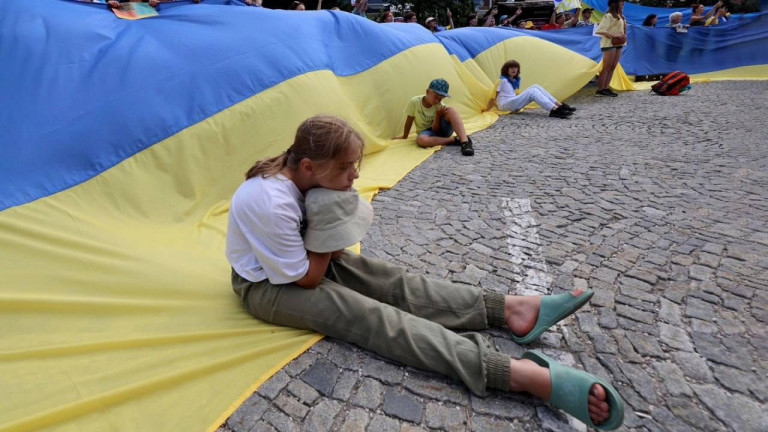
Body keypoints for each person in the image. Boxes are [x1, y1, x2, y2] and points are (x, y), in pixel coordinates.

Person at [226, 114, 624, 431]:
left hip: (296, 265)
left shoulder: (303, 175)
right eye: (348, 168)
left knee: (389, 280)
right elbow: (308, 278)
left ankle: (510, 310)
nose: (356, 176)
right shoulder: (271, 201)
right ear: (311, 166)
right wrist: (330, 218)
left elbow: (322, 254)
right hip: (264, 286)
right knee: (373, 317)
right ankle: (516, 374)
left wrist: (331, 213)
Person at [395, 78, 475, 156]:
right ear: (427, 92)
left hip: (441, 130)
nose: (437, 101)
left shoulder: (440, 106)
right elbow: (409, 120)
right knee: (421, 140)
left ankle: (465, 142)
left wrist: (438, 116)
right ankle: (455, 140)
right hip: (426, 133)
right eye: (436, 96)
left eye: (441, 98)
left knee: (451, 110)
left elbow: (436, 130)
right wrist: (404, 136)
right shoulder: (414, 102)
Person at [482, 60, 576, 119]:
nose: (514, 70)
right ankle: (554, 110)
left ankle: (560, 105)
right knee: (533, 92)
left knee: (535, 86)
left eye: (515, 68)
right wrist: (487, 109)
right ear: (506, 70)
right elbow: (494, 96)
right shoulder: (502, 80)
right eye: (511, 68)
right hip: (505, 104)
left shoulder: (515, 80)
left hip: (512, 101)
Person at [594, 0, 626, 97]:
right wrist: (614, 35)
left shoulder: (620, 16)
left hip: (619, 43)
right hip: (609, 43)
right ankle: (600, 89)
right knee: (606, 67)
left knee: (612, 67)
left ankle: (606, 88)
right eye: (621, 3)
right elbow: (600, 31)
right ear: (616, 4)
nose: (623, 5)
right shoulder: (608, 16)